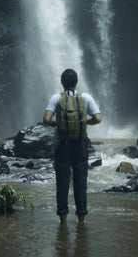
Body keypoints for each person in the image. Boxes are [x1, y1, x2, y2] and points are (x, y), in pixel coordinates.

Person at [43, 68, 102, 223]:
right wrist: (85, 122)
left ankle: (63, 219)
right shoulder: (86, 97)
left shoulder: (56, 98)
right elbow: (98, 118)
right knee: (80, 181)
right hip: (80, 145)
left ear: (62, 82)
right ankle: (81, 219)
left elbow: (46, 119)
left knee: (62, 182)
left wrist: (58, 124)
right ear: (76, 82)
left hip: (62, 145)